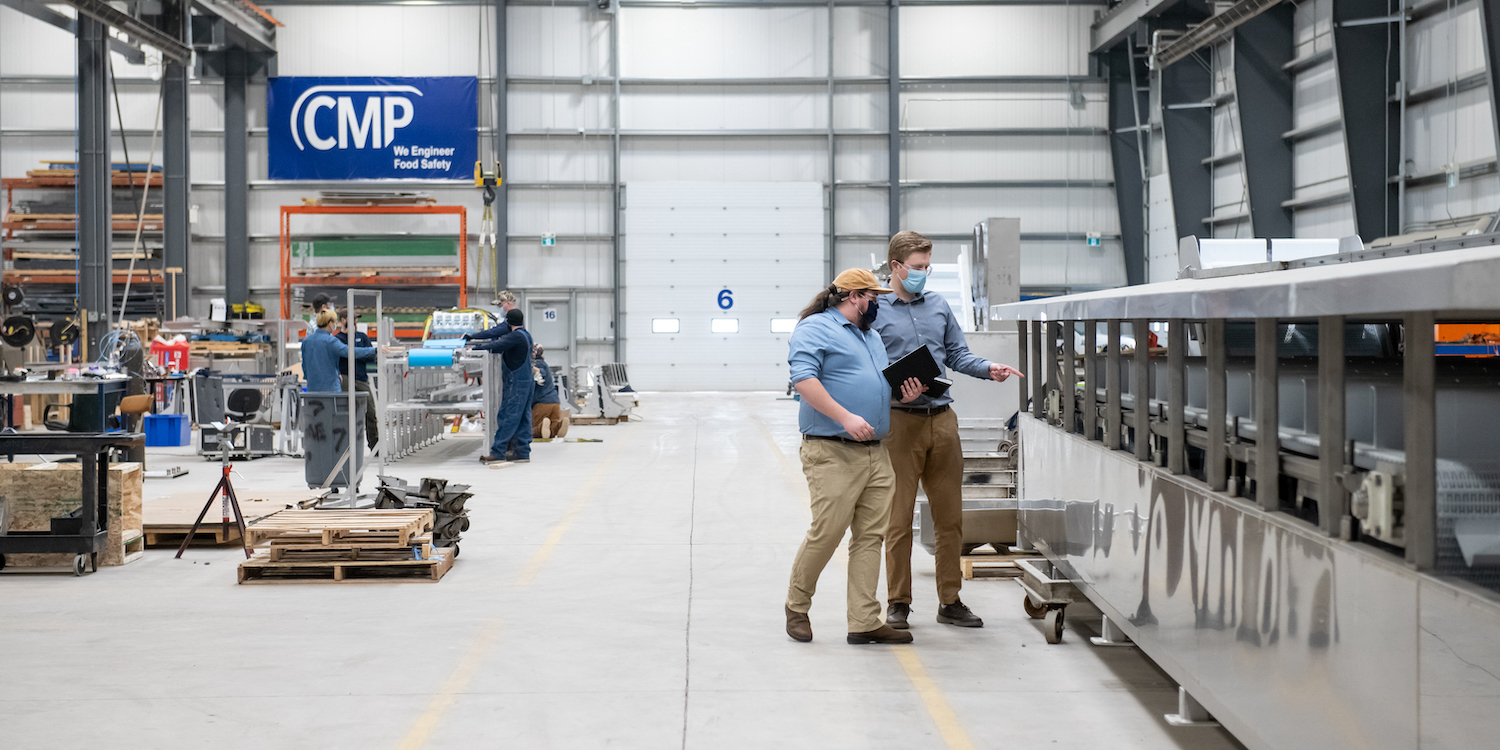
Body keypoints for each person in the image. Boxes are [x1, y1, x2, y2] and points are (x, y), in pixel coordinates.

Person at [872, 231, 1023, 631]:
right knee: (898, 519)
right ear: (896, 267)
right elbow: (867, 367)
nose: (924, 274)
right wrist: (895, 389)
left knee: (950, 519)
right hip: (898, 423)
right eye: (918, 268)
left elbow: (956, 354)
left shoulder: (937, 306)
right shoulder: (875, 311)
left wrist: (989, 368)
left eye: (927, 267)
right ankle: (898, 602)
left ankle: (950, 599)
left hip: (941, 419)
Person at [784, 268, 927, 646]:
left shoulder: (872, 337)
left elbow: (877, 389)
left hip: (875, 452)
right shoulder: (815, 328)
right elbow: (804, 380)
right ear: (852, 296)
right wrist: (844, 417)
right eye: (872, 297)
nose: (877, 303)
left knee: (870, 537)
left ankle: (863, 621)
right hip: (831, 450)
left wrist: (902, 397)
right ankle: (796, 606)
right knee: (827, 532)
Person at [473, 308, 535, 463]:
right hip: (526, 381)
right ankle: (522, 452)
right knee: (523, 418)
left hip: (517, 382)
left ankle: (498, 452)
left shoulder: (515, 337)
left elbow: (497, 346)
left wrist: (472, 348)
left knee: (508, 416)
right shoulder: (526, 335)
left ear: (508, 322)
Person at [301, 309, 376, 394]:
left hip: (312, 388)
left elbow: (304, 365)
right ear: (330, 323)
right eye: (334, 322)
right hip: (331, 389)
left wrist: (308, 377)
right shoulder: (331, 341)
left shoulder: (306, 341)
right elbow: (350, 352)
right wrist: (373, 350)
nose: (335, 324)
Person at [336, 308, 380, 449]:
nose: (355, 322)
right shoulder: (337, 339)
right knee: (345, 413)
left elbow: (371, 355)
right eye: (353, 319)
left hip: (361, 378)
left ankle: (375, 445)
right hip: (346, 378)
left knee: (370, 411)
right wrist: (359, 354)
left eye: (356, 319)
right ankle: (344, 445)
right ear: (343, 320)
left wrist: (354, 355)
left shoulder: (362, 337)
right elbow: (341, 357)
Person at [530, 345, 568, 439]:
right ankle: (560, 425)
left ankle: (542, 425)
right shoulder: (544, 363)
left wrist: (533, 369)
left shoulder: (537, 364)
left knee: (533, 428)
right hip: (555, 402)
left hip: (542, 403)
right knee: (552, 425)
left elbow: (540, 373)